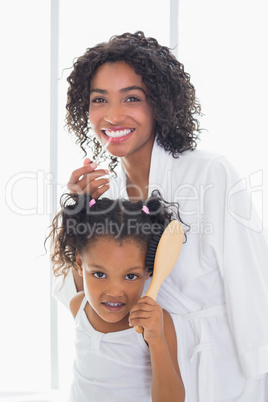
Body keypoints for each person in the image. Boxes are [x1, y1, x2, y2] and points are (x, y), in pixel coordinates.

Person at [53, 31, 268, 401]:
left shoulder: (210, 174)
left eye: (132, 98)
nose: (114, 114)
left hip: (221, 369)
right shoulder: (110, 197)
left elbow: (253, 283)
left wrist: (259, 373)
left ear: (160, 104)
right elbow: (85, 300)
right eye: (99, 100)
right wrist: (76, 213)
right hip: (145, 376)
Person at [49, 191, 185, 402]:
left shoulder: (157, 323)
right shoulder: (79, 305)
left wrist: (156, 339)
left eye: (130, 276)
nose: (115, 292)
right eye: (99, 274)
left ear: (148, 270)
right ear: (79, 264)